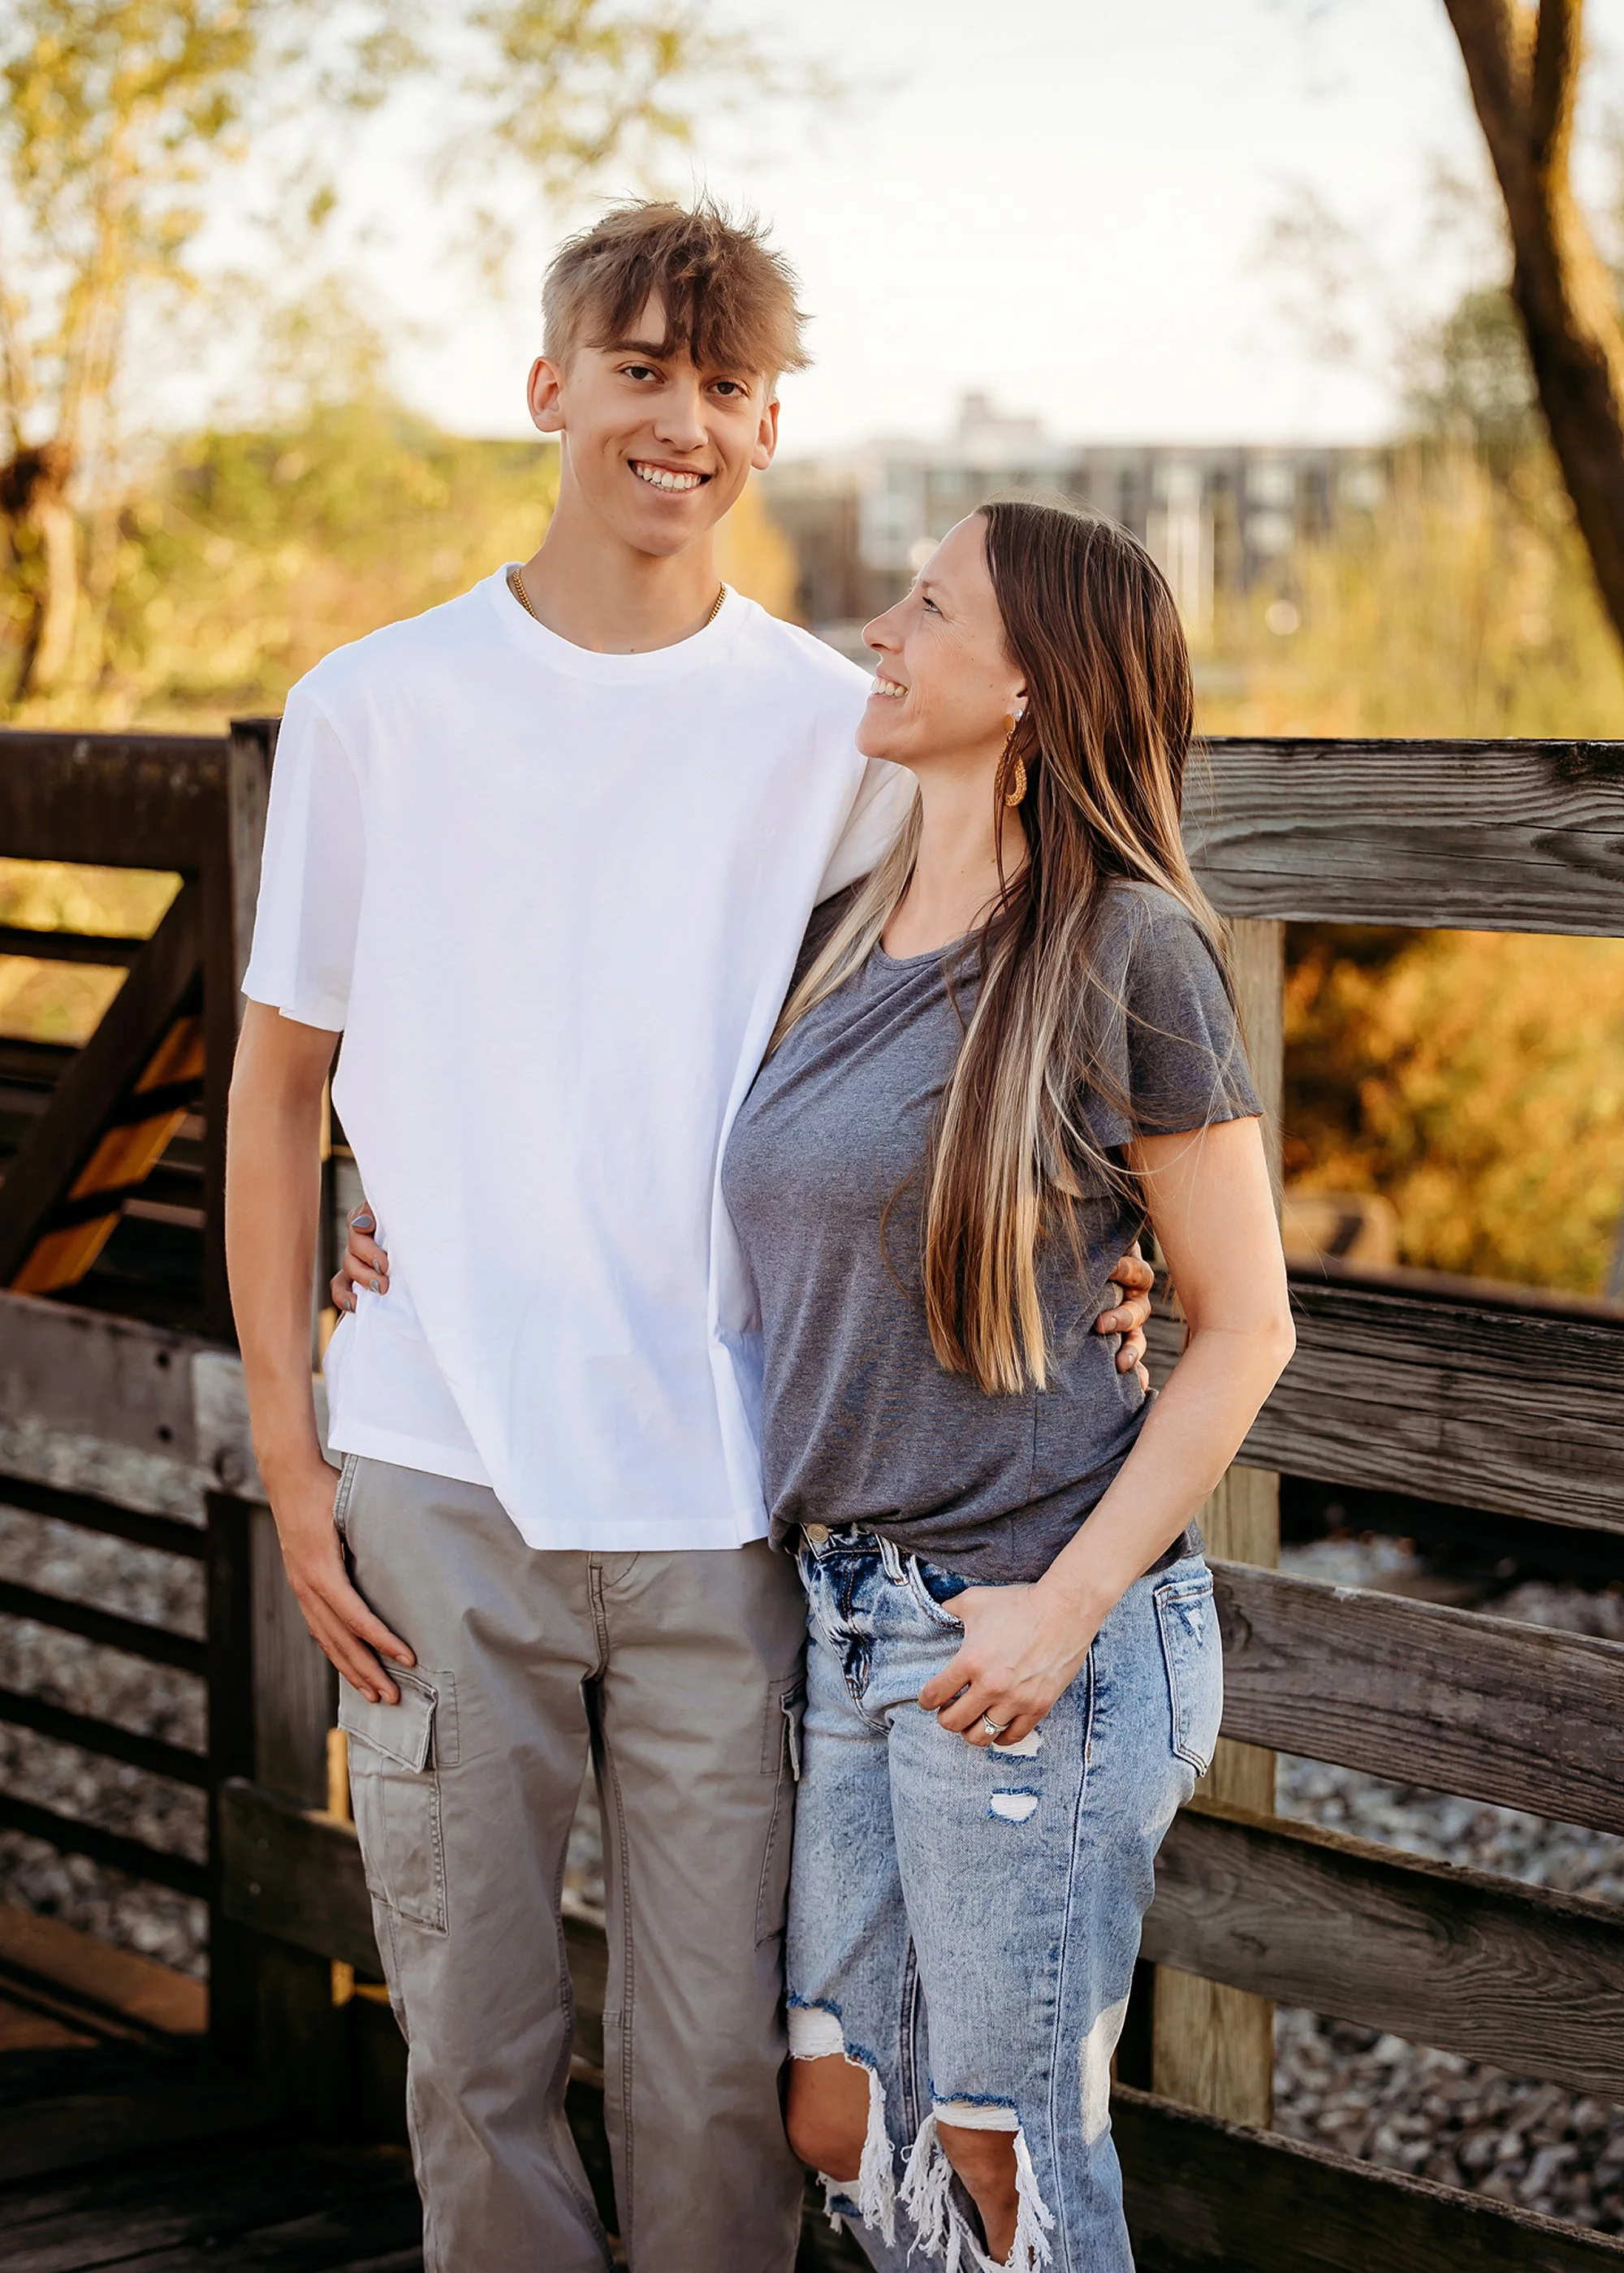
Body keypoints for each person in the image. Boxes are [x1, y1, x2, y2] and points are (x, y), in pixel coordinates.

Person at [227, 200, 1154, 2273]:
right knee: (468, 2044)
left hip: (729, 1482)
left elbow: (1004, 975)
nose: (686, 420)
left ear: (765, 421)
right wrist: (295, 1462)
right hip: (433, 1465)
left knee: (719, 2060)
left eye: (728, 384)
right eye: (643, 370)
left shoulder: (822, 728)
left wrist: (1119, 1230)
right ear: (551, 388)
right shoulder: (376, 706)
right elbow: (282, 1087)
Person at [720, 500, 1294, 2272]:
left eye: (924, 606)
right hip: (848, 1612)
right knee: (839, 2110)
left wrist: (1061, 1608)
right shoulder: (833, 933)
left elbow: (1245, 1323)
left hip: (1028, 1632)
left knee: (1002, 2154)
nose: (879, 634)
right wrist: (392, 1248)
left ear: (1030, 684)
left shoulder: (1128, 949)